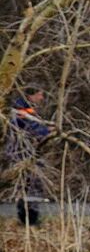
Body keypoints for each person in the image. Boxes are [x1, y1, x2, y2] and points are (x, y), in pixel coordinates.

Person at [8, 86, 52, 226]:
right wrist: (46, 131)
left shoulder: (25, 108)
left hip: (25, 151)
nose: (41, 98)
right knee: (31, 183)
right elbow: (30, 127)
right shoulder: (20, 109)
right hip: (22, 152)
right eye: (40, 94)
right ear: (31, 95)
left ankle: (29, 217)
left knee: (31, 184)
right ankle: (29, 219)